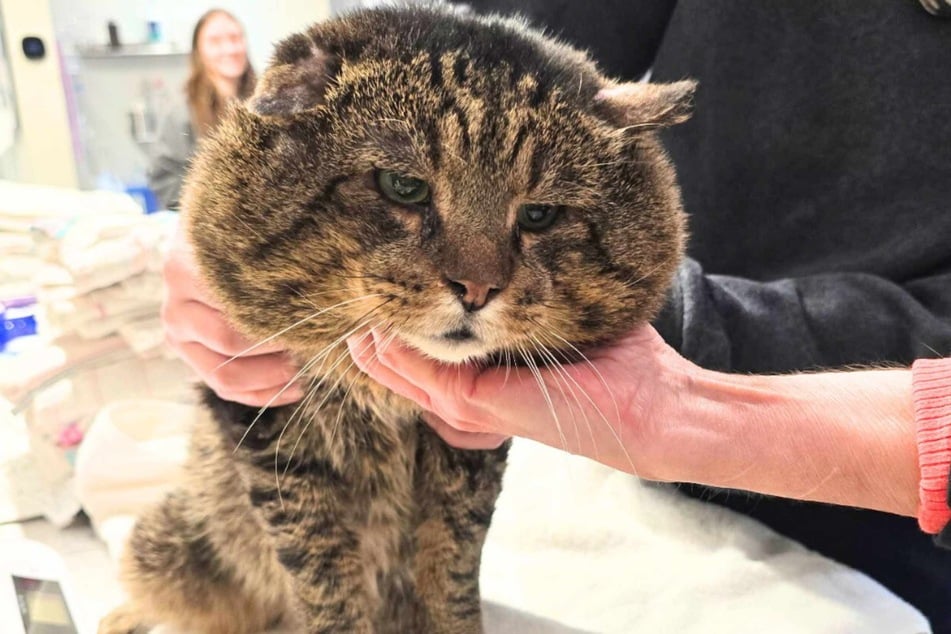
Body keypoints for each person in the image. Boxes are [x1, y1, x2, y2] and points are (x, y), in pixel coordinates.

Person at [161, 1, 951, 628]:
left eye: (533, 218)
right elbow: (496, 43)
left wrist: (655, 334)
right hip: (647, 428)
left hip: (906, 534)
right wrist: (238, 210)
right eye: (406, 193)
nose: (474, 281)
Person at [148, 9, 256, 210]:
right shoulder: (180, 114)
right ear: (199, 52)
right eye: (215, 41)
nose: (230, 49)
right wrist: (212, 202)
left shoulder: (265, 104)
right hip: (206, 227)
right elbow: (164, 180)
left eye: (235, 38)